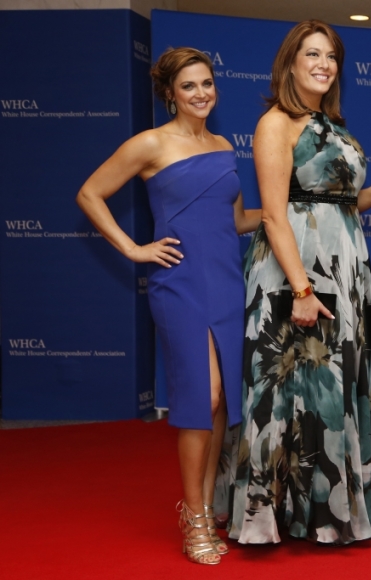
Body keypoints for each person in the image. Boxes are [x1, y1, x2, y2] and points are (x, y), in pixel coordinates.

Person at [223, 20, 371, 544]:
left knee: (335, 389)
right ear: (290, 63)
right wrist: (302, 289)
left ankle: (329, 512)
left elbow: (341, 205)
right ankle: (273, 515)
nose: (324, 64)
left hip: (343, 268)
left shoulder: (332, 124)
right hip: (294, 271)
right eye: (312, 54)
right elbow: (275, 215)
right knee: (286, 390)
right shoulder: (276, 123)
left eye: (331, 56)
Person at [76, 47, 261, 565]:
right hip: (179, 284)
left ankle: (198, 504)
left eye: (207, 84)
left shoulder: (223, 145)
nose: (201, 93)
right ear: (170, 93)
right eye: (189, 87)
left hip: (226, 282)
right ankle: (196, 520)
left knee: (222, 400)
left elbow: (238, 219)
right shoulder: (150, 143)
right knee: (204, 397)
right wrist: (135, 249)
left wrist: (290, 212)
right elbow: (90, 193)